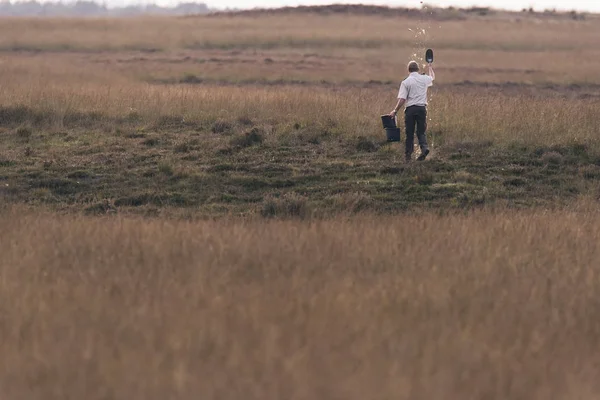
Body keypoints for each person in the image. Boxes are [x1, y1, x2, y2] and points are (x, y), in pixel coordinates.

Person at [389, 60, 435, 162]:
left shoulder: (406, 82)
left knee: (409, 133)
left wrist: (395, 111)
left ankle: (408, 156)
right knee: (421, 132)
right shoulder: (424, 79)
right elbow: (432, 77)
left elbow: (402, 99)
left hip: (410, 110)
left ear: (408, 70)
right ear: (418, 69)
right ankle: (424, 148)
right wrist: (430, 67)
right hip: (422, 109)